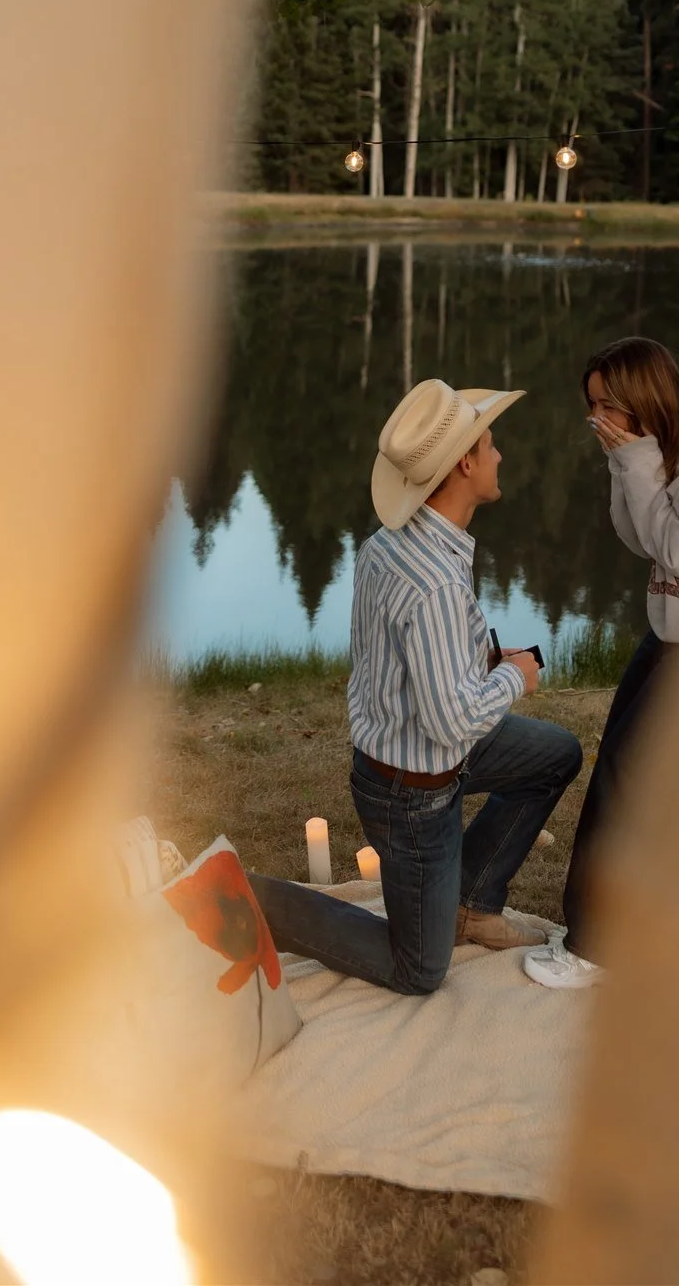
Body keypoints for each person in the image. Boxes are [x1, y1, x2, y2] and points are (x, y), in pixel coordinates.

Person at [248, 377, 583, 995]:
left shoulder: (395, 543)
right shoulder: (434, 583)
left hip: (428, 754)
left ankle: (473, 904)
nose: (500, 454)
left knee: (556, 755)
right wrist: (516, 675)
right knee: (420, 970)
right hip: (411, 792)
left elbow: (406, 655)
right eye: (491, 443)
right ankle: (261, 901)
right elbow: (451, 722)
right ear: (464, 462)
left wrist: (481, 656)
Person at [523, 337, 679, 991]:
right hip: (678, 630)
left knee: (627, 778)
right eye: (590, 404)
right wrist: (624, 464)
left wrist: (632, 461)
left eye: (604, 405)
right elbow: (637, 541)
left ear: (638, 400)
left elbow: (678, 553)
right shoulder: (659, 450)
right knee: (628, 771)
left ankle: (596, 947)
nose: (594, 417)